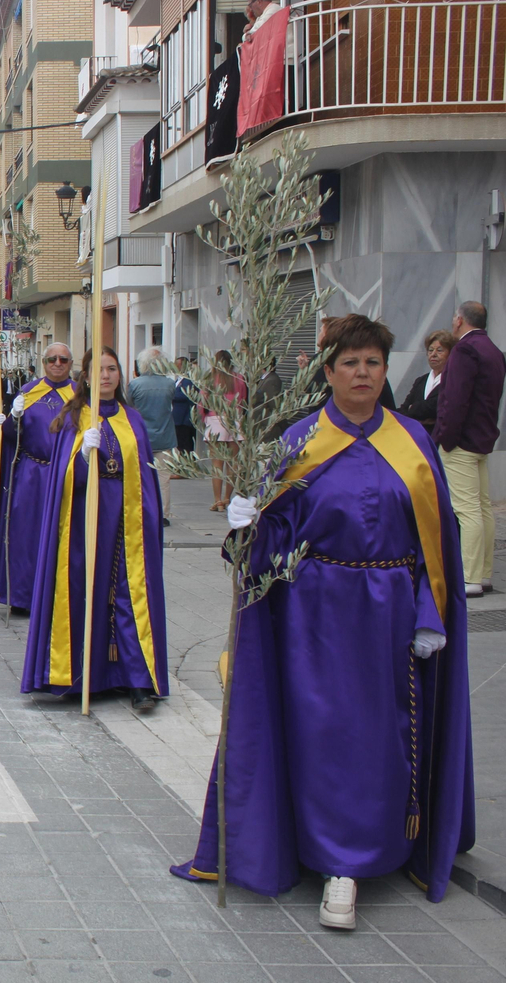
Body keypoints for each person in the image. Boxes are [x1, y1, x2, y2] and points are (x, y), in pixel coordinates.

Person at [173, 315, 474, 930]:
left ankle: (384, 845)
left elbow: (437, 543)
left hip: (392, 619)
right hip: (314, 619)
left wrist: (428, 612)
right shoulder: (299, 442)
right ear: (329, 372)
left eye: (373, 363)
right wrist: (246, 523)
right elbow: (269, 541)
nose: (362, 374)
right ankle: (334, 862)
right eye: (349, 363)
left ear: (385, 371)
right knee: (324, 735)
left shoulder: (414, 443)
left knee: (384, 735)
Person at [25, 347, 168, 713]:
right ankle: (79, 675)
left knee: (128, 594)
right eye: (97, 370)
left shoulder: (133, 419)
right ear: (85, 376)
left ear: (121, 374)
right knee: (85, 593)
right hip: (84, 523)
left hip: (126, 522)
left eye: (112, 368)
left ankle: (137, 679)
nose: (105, 376)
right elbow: (61, 479)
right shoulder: (73, 418)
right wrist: (82, 458)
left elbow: (146, 477)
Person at [0, 343, 78, 612]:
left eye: (63, 359)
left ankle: (60, 596)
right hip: (31, 474)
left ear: (71, 363)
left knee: (64, 535)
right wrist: (12, 419)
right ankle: (22, 597)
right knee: (24, 535)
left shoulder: (80, 395)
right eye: (51, 359)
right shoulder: (28, 391)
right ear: (43, 362)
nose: (57, 363)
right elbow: (11, 438)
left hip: (66, 474)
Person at [434, 302, 505, 597]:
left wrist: (443, 438)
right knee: (483, 508)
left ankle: (470, 577)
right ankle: (483, 574)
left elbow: (455, 399)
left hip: (460, 441)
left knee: (466, 510)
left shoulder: (465, 350)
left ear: (460, 320)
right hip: (482, 439)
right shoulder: (494, 350)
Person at [127, 347, 178, 518]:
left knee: (140, 476)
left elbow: (128, 407)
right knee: (163, 478)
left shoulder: (135, 384)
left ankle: (141, 510)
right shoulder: (170, 384)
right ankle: (163, 514)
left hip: (141, 437)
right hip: (164, 436)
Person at [203, 350, 247, 512]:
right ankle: (228, 498)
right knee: (232, 464)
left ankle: (218, 501)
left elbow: (203, 402)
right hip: (235, 420)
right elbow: (242, 400)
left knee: (217, 465)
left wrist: (203, 420)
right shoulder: (239, 379)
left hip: (215, 421)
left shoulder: (209, 379)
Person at [399, 330, 455, 435]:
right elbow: (404, 409)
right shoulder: (420, 381)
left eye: (439, 350)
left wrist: (414, 408)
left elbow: (437, 407)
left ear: (450, 354)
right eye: (430, 350)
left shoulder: (453, 380)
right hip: (416, 438)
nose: (433, 354)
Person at [172, 357, 197, 453]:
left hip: (184, 419)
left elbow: (183, 395)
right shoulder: (179, 379)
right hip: (177, 419)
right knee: (179, 445)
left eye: (177, 365)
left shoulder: (189, 380)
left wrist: (169, 395)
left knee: (186, 446)